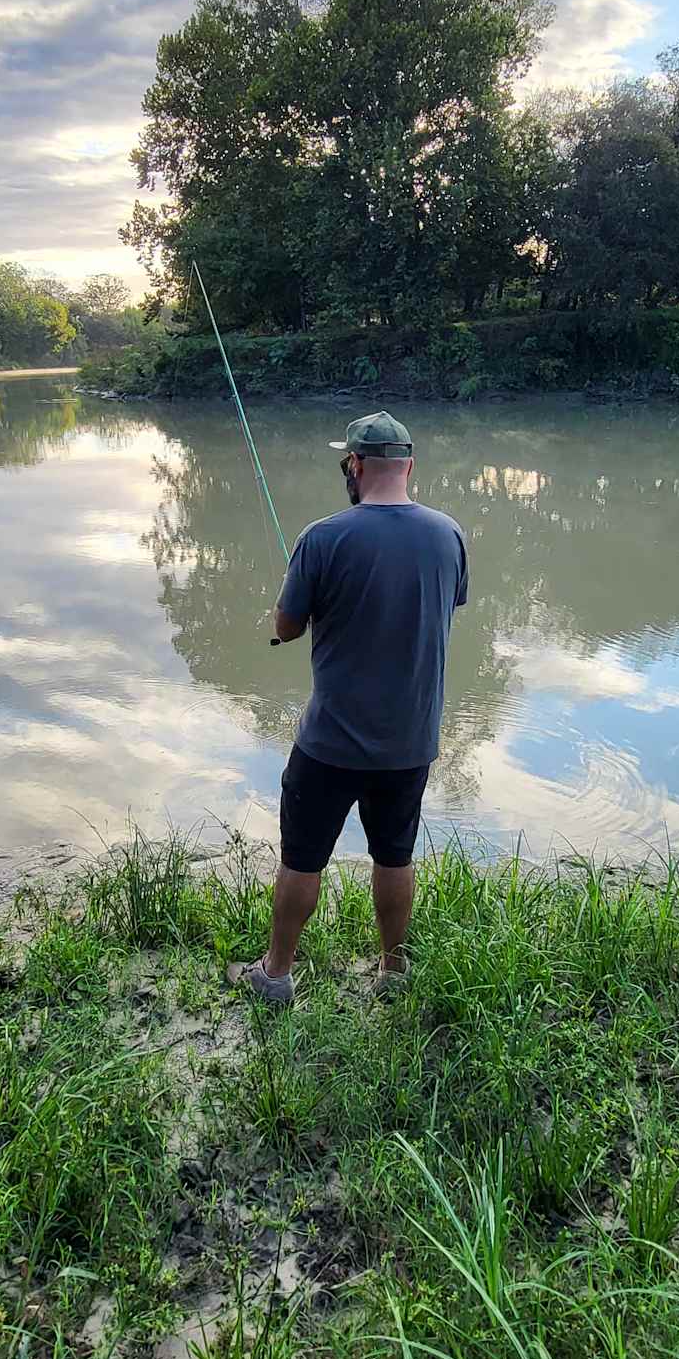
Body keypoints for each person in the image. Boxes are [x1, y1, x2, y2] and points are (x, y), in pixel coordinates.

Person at [239, 411, 468, 1006]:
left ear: (355, 466)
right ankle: (393, 973)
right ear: (410, 466)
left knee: (302, 859)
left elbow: (286, 628)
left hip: (330, 743)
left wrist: (300, 594)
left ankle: (276, 973)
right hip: (410, 740)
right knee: (395, 855)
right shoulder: (449, 535)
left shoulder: (322, 537)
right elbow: (445, 605)